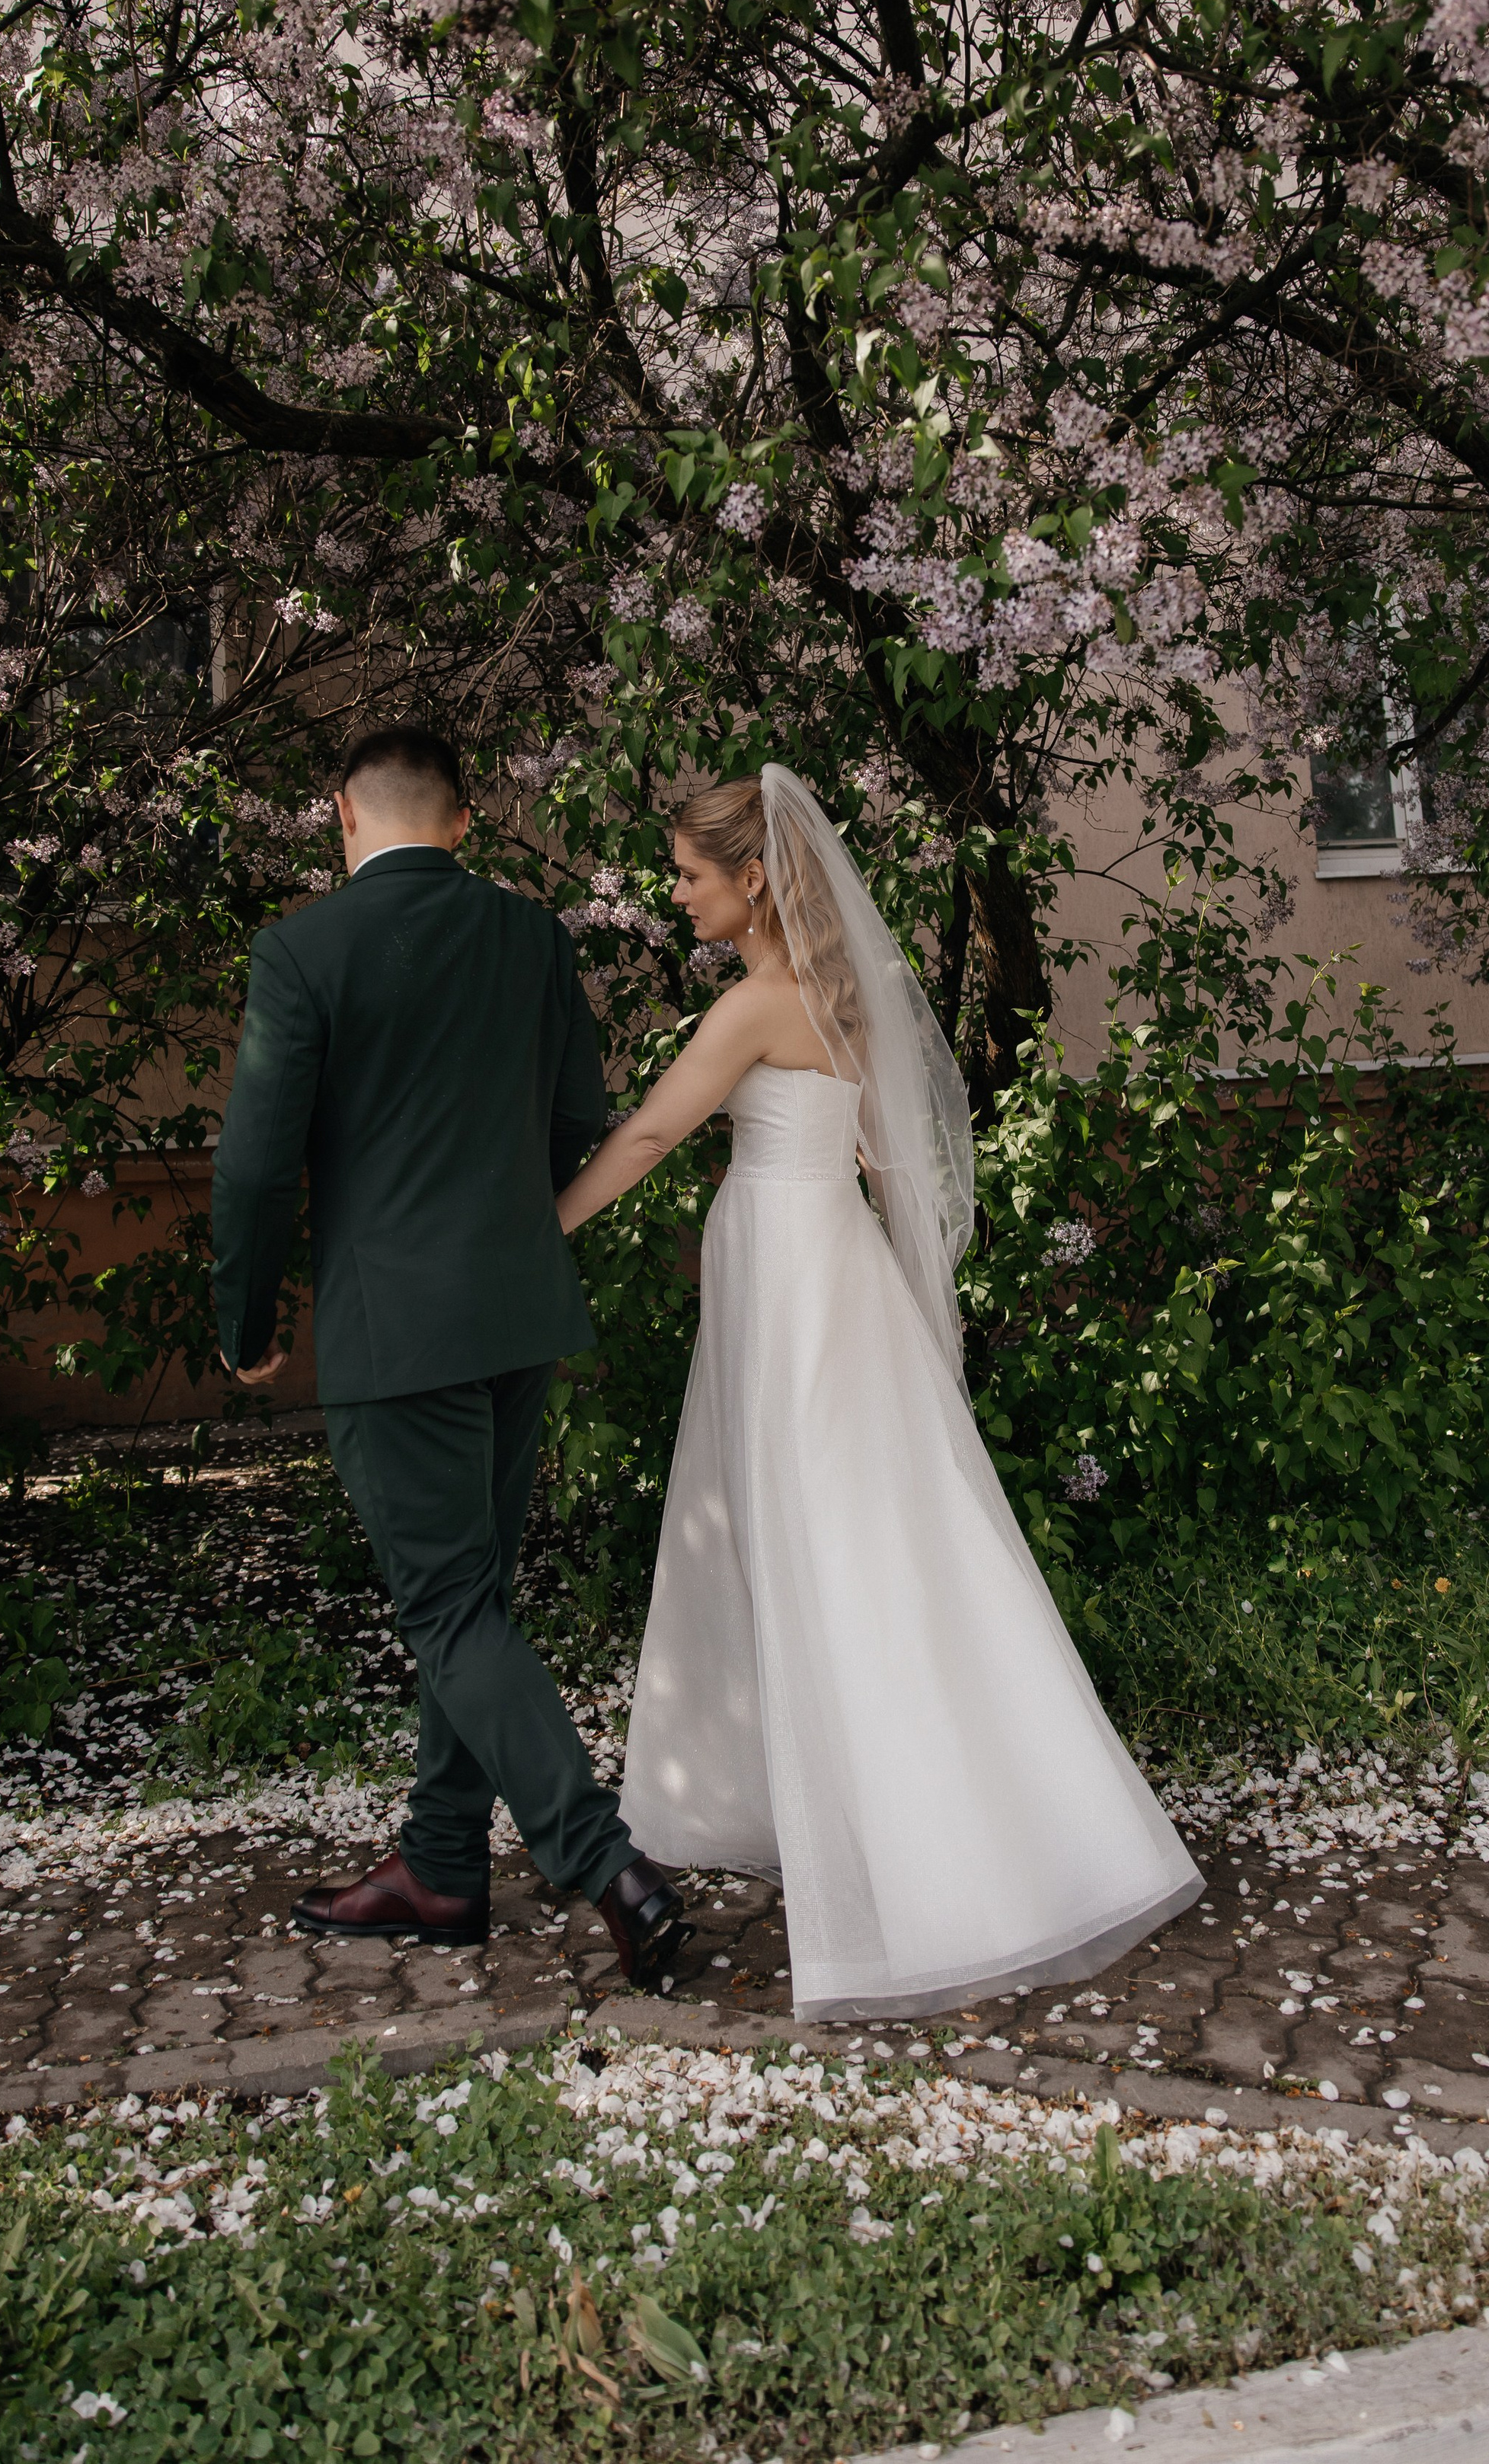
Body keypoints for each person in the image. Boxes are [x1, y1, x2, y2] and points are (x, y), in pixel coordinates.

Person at [555, 764, 1203, 2019]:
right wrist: (919, 1308)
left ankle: (914, 1857)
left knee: (820, 1545)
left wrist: (545, 1226)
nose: (677, 895)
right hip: (834, 1269)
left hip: (792, 1279)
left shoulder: (755, 1006)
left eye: (690, 875)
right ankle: (888, 1803)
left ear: (751, 878)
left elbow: (646, 1135)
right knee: (872, 1540)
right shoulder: (840, 996)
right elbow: (899, 1170)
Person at [209, 723, 689, 1986]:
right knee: (473, 1601)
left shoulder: (301, 949)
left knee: (448, 1606)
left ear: (341, 815)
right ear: (464, 821)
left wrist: (246, 1321)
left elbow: (256, 1163)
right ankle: (439, 1865)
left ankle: (605, 1862)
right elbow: (580, 1114)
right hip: (516, 1311)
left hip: (397, 1328)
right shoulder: (534, 934)